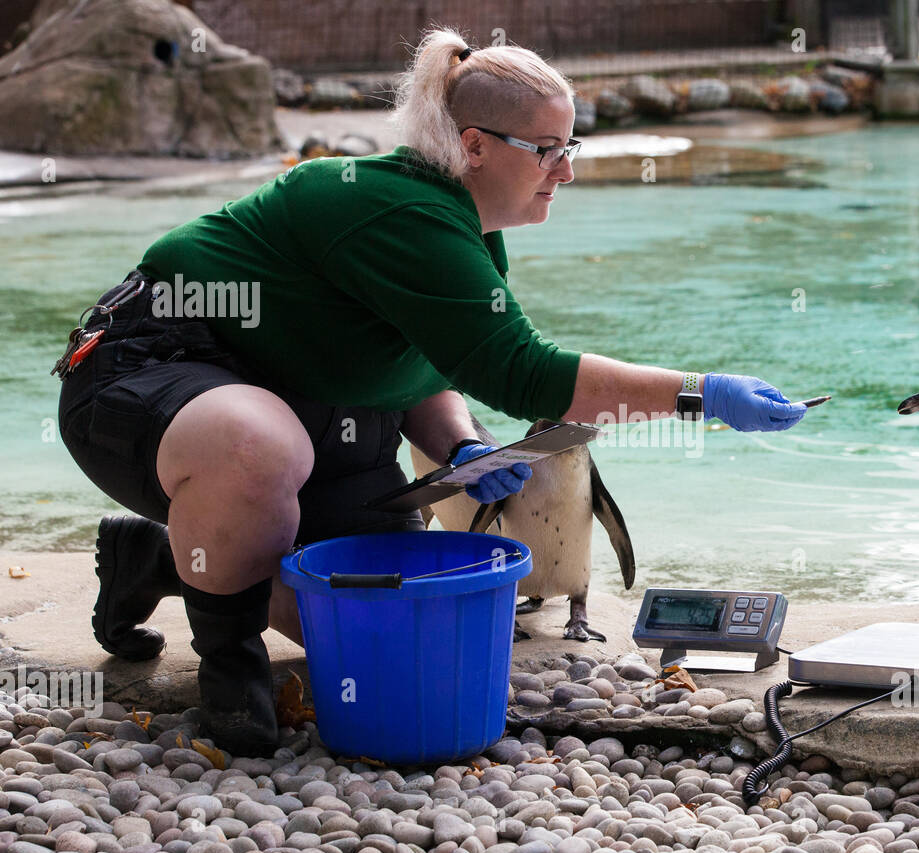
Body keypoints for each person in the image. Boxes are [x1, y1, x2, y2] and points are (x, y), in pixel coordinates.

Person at [55, 26, 807, 757]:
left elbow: (424, 366)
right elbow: (526, 373)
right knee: (257, 444)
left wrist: (462, 446)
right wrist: (701, 395)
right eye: (547, 150)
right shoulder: (399, 209)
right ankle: (230, 667)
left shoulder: (465, 222)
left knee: (399, 624)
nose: (566, 170)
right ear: (474, 144)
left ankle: (164, 561)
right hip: (148, 369)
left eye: (568, 146)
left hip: (317, 412)